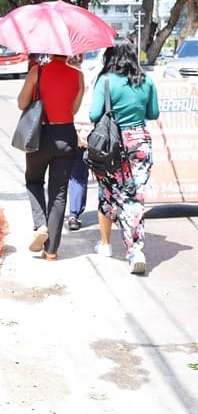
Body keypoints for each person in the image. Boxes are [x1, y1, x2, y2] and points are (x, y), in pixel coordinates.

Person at [89, 39, 159, 274]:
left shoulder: (106, 80)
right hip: (140, 143)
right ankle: (127, 247)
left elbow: (94, 113)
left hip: (113, 146)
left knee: (110, 191)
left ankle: (120, 247)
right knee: (134, 196)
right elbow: (153, 113)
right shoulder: (146, 80)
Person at [17, 54, 84, 260]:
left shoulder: (38, 71)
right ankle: (52, 251)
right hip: (66, 136)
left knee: (33, 181)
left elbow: (22, 103)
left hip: (40, 136)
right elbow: (73, 109)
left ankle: (40, 224)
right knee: (59, 192)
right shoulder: (78, 75)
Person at [67, 53, 89, 231]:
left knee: (67, 175)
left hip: (64, 131)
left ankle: (65, 214)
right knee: (79, 175)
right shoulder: (91, 77)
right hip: (87, 133)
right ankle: (74, 214)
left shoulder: (58, 76)